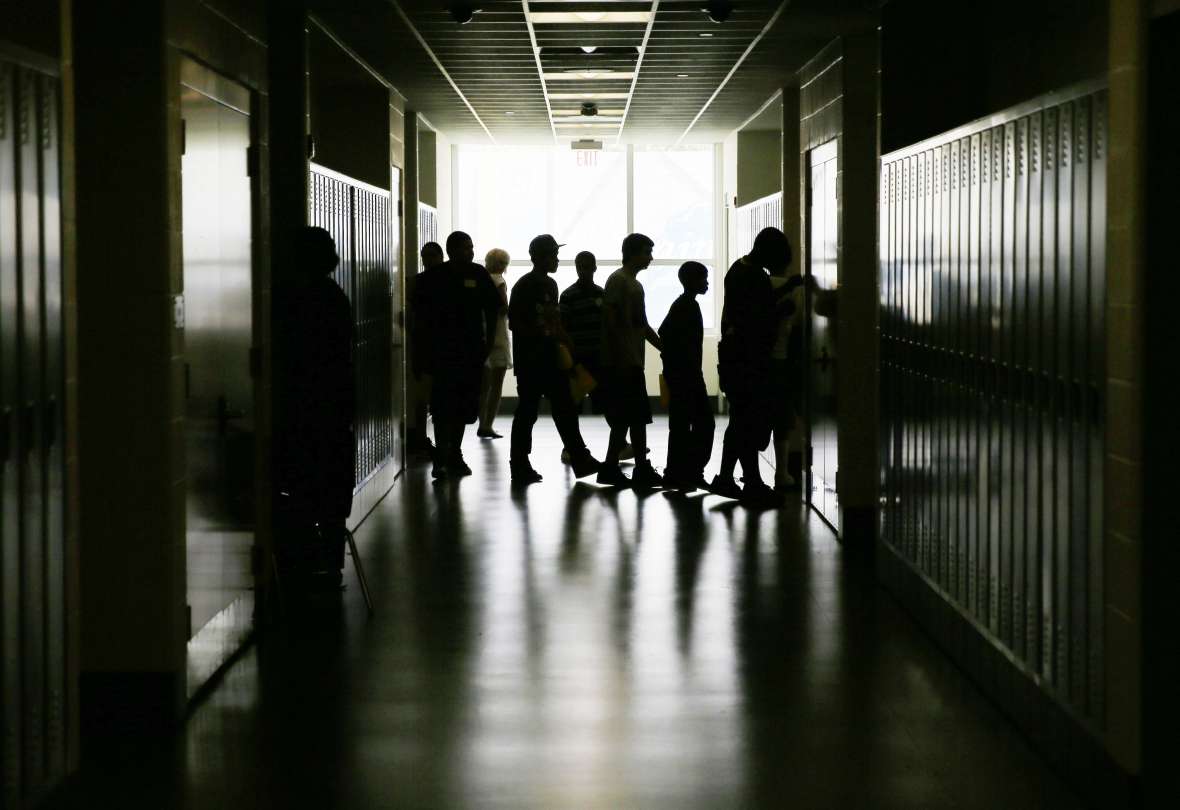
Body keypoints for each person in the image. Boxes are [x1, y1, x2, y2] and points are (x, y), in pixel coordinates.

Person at [275, 226, 354, 579]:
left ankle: (305, 562)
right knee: (333, 491)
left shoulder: (288, 297)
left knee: (302, 487)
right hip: (332, 408)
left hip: (299, 408)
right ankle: (331, 561)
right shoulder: (334, 296)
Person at [507, 234, 601, 484]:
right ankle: (519, 463)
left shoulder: (550, 286)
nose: (557, 260)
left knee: (565, 408)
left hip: (550, 358)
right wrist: (543, 334)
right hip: (531, 360)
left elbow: (555, 322)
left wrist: (566, 344)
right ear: (538, 257)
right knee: (529, 411)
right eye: (552, 255)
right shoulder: (524, 286)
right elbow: (515, 323)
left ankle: (579, 457)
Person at [711, 226, 787, 505]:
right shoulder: (755, 276)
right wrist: (781, 312)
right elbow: (757, 319)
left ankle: (725, 477)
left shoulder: (737, 269)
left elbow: (748, 309)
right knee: (748, 423)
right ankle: (752, 483)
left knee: (738, 421)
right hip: (749, 360)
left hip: (734, 358)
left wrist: (786, 289)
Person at [416, 231, 500, 480]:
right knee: (442, 406)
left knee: (465, 406)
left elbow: (493, 308)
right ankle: (442, 455)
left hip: (471, 350)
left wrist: (490, 341)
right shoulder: (434, 277)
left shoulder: (478, 274)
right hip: (441, 352)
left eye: (472, 247)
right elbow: (420, 319)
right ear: (451, 250)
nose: (471, 252)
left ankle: (455, 452)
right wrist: (420, 353)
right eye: (466, 248)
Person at [596, 233, 664, 489]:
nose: (650, 258)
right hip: (623, 363)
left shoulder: (632, 284)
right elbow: (613, 323)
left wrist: (661, 348)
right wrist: (623, 356)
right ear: (633, 253)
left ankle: (616, 466)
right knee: (632, 417)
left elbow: (642, 325)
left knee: (632, 417)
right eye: (647, 252)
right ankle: (630, 468)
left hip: (629, 361)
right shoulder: (619, 282)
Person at [658, 261, 714, 491]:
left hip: (679, 374)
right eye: (703, 278)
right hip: (688, 375)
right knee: (704, 424)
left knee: (680, 425)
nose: (707, 283)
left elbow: (664, 332)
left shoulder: (681, 304)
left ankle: (676, 472)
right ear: (692, 281)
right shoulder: (688, 306)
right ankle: (692, 471)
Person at [768, 258, 808, 490]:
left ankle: (747, 474)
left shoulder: (759, 285)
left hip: (756, 361)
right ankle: (781, 472)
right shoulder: (797, 291)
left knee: (752, 419)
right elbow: (800, 327)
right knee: (782, 419)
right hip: (783, 361)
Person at [407, 241, 444, 459]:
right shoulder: (420, 282)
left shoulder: (419, 282)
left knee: (432, 397)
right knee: (423, 396)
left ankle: (431, 440)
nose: (427, 260)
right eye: (424, 256)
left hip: (431, 344)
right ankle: (422, 438)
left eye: (431, 255)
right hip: (425, 345)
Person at [477, 248, 512, 438]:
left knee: (484, 386)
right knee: (496, 385)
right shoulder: (499, 281)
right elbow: (504, 307)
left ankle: (481, 422)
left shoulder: (482, 280)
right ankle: (487, 425)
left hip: (482, 334)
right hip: (498, 335)